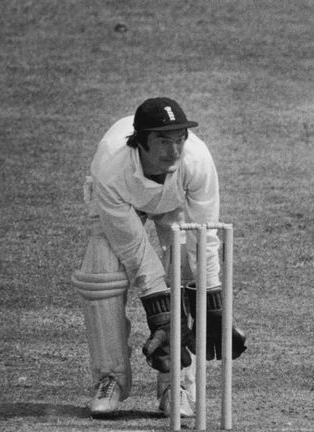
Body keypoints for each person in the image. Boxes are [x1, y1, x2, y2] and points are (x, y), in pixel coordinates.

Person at [71, 97, 247, 418]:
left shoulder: (196, 161)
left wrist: (212, 299)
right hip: (120, 202)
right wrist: (159, 312)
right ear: (141, 142)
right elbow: (134, 249)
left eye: (180, 140)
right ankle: (110, 377)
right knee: (101, 274)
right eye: (163, 141)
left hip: (174, 201)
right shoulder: (111, 168)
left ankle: (175, 384)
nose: (174, 151)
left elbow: (203, 234)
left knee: (184, 268)